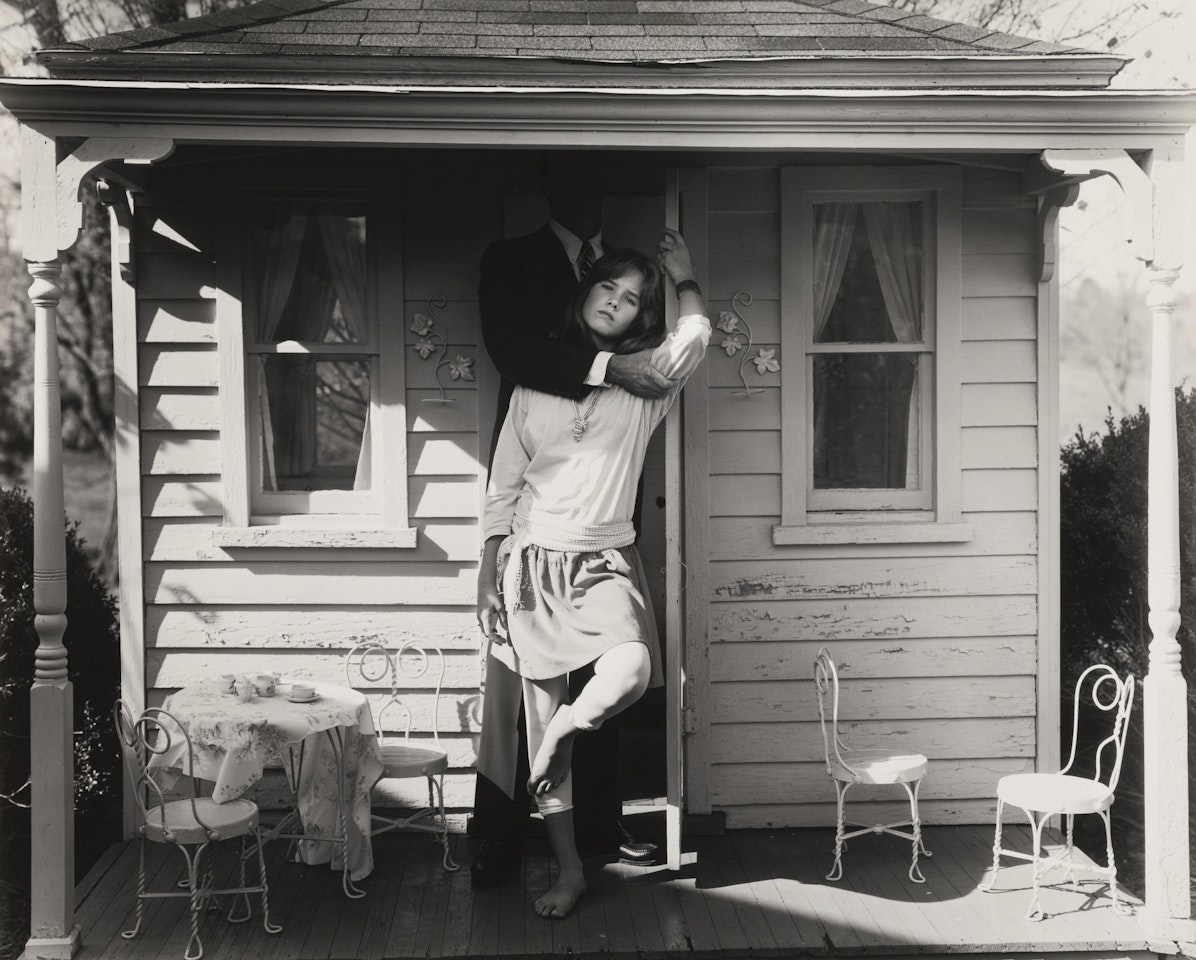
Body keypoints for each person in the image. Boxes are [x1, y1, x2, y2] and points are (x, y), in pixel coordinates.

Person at [477, 231, 710, 918]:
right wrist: (483, 579)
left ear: (641, 318)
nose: (619, 301)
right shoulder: (530, 386)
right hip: (531, 562)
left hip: (605, 557)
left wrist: (684, 275)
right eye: (609, 287)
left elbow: (695, 334)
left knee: (632, 669)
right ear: (586, 293)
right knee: (541, 727)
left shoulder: (646, 383)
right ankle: (569, 870)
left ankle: (567, 729)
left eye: (635, 299)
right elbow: (502, 491)